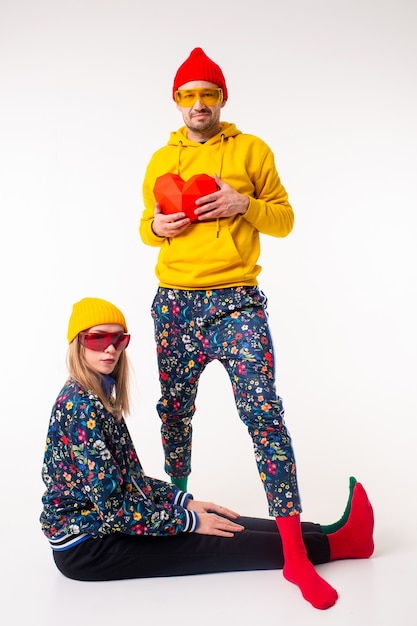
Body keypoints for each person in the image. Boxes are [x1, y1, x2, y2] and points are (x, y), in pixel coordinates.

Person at [139, 47, 364, 609]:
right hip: (174, 304)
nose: (197, 104)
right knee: (174, 411)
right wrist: (157, 226)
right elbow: (147, 224)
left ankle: (293, 557)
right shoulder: (159, 158)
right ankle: (177, 516)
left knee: (264, 415)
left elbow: (284, 218)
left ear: (221, 99)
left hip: (237, 302)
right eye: (188, 95)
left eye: (206, 93)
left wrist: (244, 204)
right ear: (177, 101)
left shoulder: (251, 149)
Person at [40, 296, 374, 604]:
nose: (110, 349)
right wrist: (187, 521)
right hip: (89, 546)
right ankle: (342, 544)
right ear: (78, 343)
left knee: (224, 520)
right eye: (98, 339)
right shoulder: (80, 409)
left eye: (119, 339)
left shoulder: (97, 398)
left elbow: (129, 479)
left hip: (106, 531)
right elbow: (114, 510)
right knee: (217, 538)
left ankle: (324, 531)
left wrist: (182, 502)